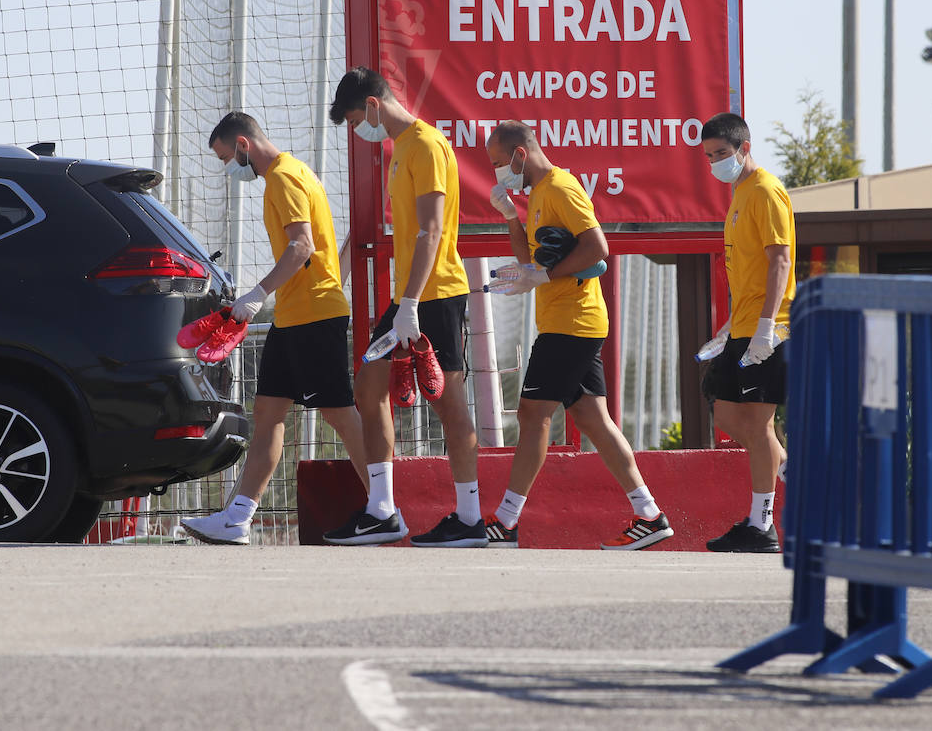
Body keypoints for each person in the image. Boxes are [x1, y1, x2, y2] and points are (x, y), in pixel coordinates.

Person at [480, 121, 673, 550]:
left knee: (533, 414)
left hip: (573, 321)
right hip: (568, 321)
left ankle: (507, 521)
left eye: (498, 163)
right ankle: (649, 514)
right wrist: (511, 217)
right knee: (592, 419)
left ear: (519, 155)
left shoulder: (561, 187)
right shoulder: (538, 195)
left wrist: (545, 274)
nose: (496, 172)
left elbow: (598, 248)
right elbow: (530, 262)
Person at [181, 111, 368, 545]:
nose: (230, 168)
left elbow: (303, 245)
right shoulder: (293, 172)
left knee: (340, 414)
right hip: (292, 315)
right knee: (267, 414)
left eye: (227, 157)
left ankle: (385, 506)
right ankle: (237, 518)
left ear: (244, 144)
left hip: (314, 314)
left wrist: (256, 294)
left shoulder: (283, 177)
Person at [323, 66, 485, 548]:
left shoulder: (427, 144)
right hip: (408, 299)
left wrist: (411, 302)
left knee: (449, 405)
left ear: (373, 105)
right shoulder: (399, 151)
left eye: (355, 121)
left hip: (435, 296)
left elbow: (431, 230)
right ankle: (382, 510)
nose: (357, 132)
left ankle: (471, 518)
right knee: (368, 388)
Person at [698, 113, 794, 553]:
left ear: (745, 147)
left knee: (757, 425)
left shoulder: (766, 191)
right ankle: (794, 477)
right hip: (742, 326)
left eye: (723, 153)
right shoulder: (739, 194)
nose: (717, 162)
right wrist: (732, 324)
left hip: (768, 328)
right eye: (710, 156)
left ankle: (761, 525)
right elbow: (748, 269)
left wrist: (764, 327)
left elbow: (779, 261)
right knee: (726, 416)